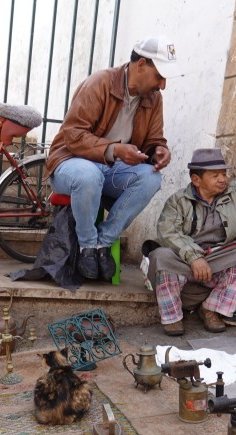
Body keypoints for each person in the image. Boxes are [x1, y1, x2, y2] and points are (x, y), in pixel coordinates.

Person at [45, 36, 175, 282]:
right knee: (89, 174)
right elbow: (73, 135)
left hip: (111, 170)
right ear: (141, 65)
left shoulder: (153, 98)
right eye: (159, 76)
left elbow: (154, 139)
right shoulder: (100, 83)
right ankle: (87, 246)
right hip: (69, 163)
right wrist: (114, 150)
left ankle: (103, 242)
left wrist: (159, 150)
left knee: (151, 178)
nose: (163, 85)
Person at [146, 148, 236, 336]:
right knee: (161, 256)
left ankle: (211, 309)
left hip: (217, 258)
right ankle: (173, 317)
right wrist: (194, 257)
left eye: (223, 174)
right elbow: (168, 233)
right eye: (215, 175)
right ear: (196, 180)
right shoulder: (178, 201)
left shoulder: (235, 193)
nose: (222, 179)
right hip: (184, 259)